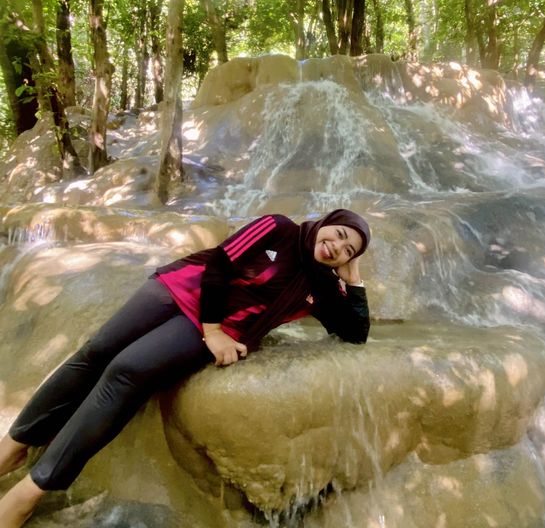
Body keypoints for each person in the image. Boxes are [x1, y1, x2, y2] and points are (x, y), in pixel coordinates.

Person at [0, 209, 370, 527]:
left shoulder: (323, 288)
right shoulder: (279, 227)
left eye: (347, 250)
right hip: (182, 289)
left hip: (217, 329)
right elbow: (219, 264)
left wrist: (354, 279)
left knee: (126, 372)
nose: (337, 246)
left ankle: (33, 489)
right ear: (326, 223)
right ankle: (16, 444)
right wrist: (213, 333)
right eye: (338, 234)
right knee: (95, 352)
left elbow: (355, 333)